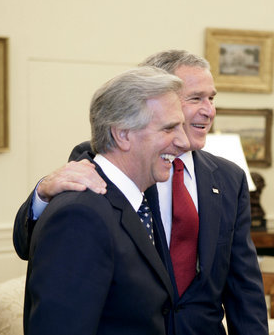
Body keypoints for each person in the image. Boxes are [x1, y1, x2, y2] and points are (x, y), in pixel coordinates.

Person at [14, 50, 269, 335]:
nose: (209, 110)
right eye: (195, 98)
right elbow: (51, 244)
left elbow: (243, 286)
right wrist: (42, 196)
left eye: (212, 98)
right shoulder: (98, 164)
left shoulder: (229, 178)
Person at [24, 66, 188, 335]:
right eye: (170, 128)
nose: (183, 142)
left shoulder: (138, 199)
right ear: (122, 134)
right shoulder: (79, 217)